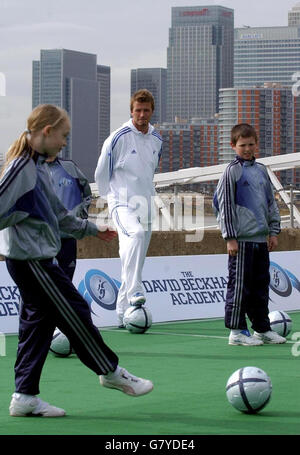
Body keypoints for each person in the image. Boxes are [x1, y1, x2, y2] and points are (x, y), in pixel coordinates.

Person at [0, 104, 153, 418]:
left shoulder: (37, 166)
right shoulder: (21, 168)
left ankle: (25, 396)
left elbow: (56, 215)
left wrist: (93, 229)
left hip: (35, 259)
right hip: (32, 262)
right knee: (75, 311)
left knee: (37, 327)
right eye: (63, 136)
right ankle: (110, 371)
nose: (64, 142)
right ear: (47, 131)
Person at [213, 123, 286, 346]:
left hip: (260, 241)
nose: (247, 149)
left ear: (257, 144)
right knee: (239, 287)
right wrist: (230, 237)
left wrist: (273, 231)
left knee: (260, 286)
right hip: (241, 241)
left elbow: (270, 203)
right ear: (233, 146)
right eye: (242, 145)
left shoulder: (262, 170)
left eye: (251, 144)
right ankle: (236, 331)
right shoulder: (231, 171)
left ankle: (262, 328)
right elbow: (223, 205)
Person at [95, 89, 162, 328]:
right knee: (136, 234)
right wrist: (111, 199)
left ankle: (123, 311)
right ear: (131, 111)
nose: (142, 115)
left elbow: (150, 171)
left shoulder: (157, 139)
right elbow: (102, 172)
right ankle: (135, 291)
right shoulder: (118, 137)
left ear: (152, 111)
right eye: (138, 110)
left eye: (146, 110)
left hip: (146, 203)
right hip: (122, 203)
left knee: (133, 259)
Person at [46, 154, 92, 281]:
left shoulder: (69, 166)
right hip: (41, 239)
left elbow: (87, 194)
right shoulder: (31, 169)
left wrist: (80, 214)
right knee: (38, 287)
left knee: (67, 282)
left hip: (67, 237)